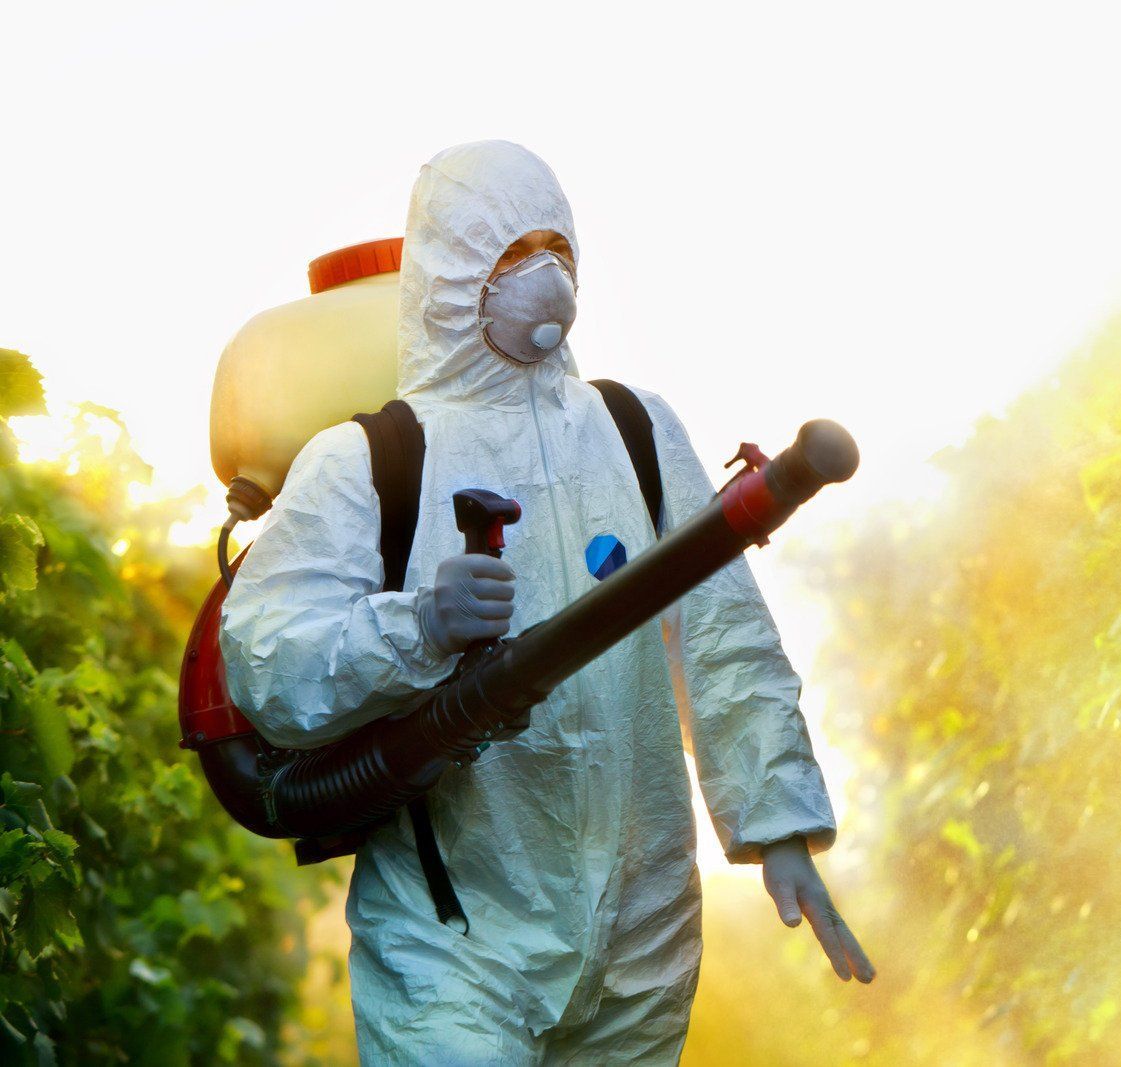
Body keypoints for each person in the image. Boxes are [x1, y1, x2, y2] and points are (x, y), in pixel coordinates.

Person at [220, 139, 873, 1065]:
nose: (545, 276)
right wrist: (422, 625)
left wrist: (780, 827)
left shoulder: (635, 430)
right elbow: (267, 669)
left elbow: (723, 638)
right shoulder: (365, 462)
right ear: (449, 274)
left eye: (555, 247)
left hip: (642, 942)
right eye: (510, 252)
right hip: (454, 944)